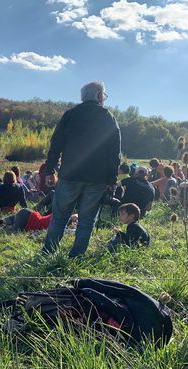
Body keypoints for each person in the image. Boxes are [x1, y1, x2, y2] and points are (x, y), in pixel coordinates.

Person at [43, 81, 121, 257]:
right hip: (97, 179)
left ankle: (48, 253)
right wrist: (111, 180)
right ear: (100, 96)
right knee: (86, 221)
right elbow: (114, 153)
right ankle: (76, 257)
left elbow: (56, 144)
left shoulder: (70, 115)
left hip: (70, 174)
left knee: (60, 217)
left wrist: (49, 170)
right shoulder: (108, 118)